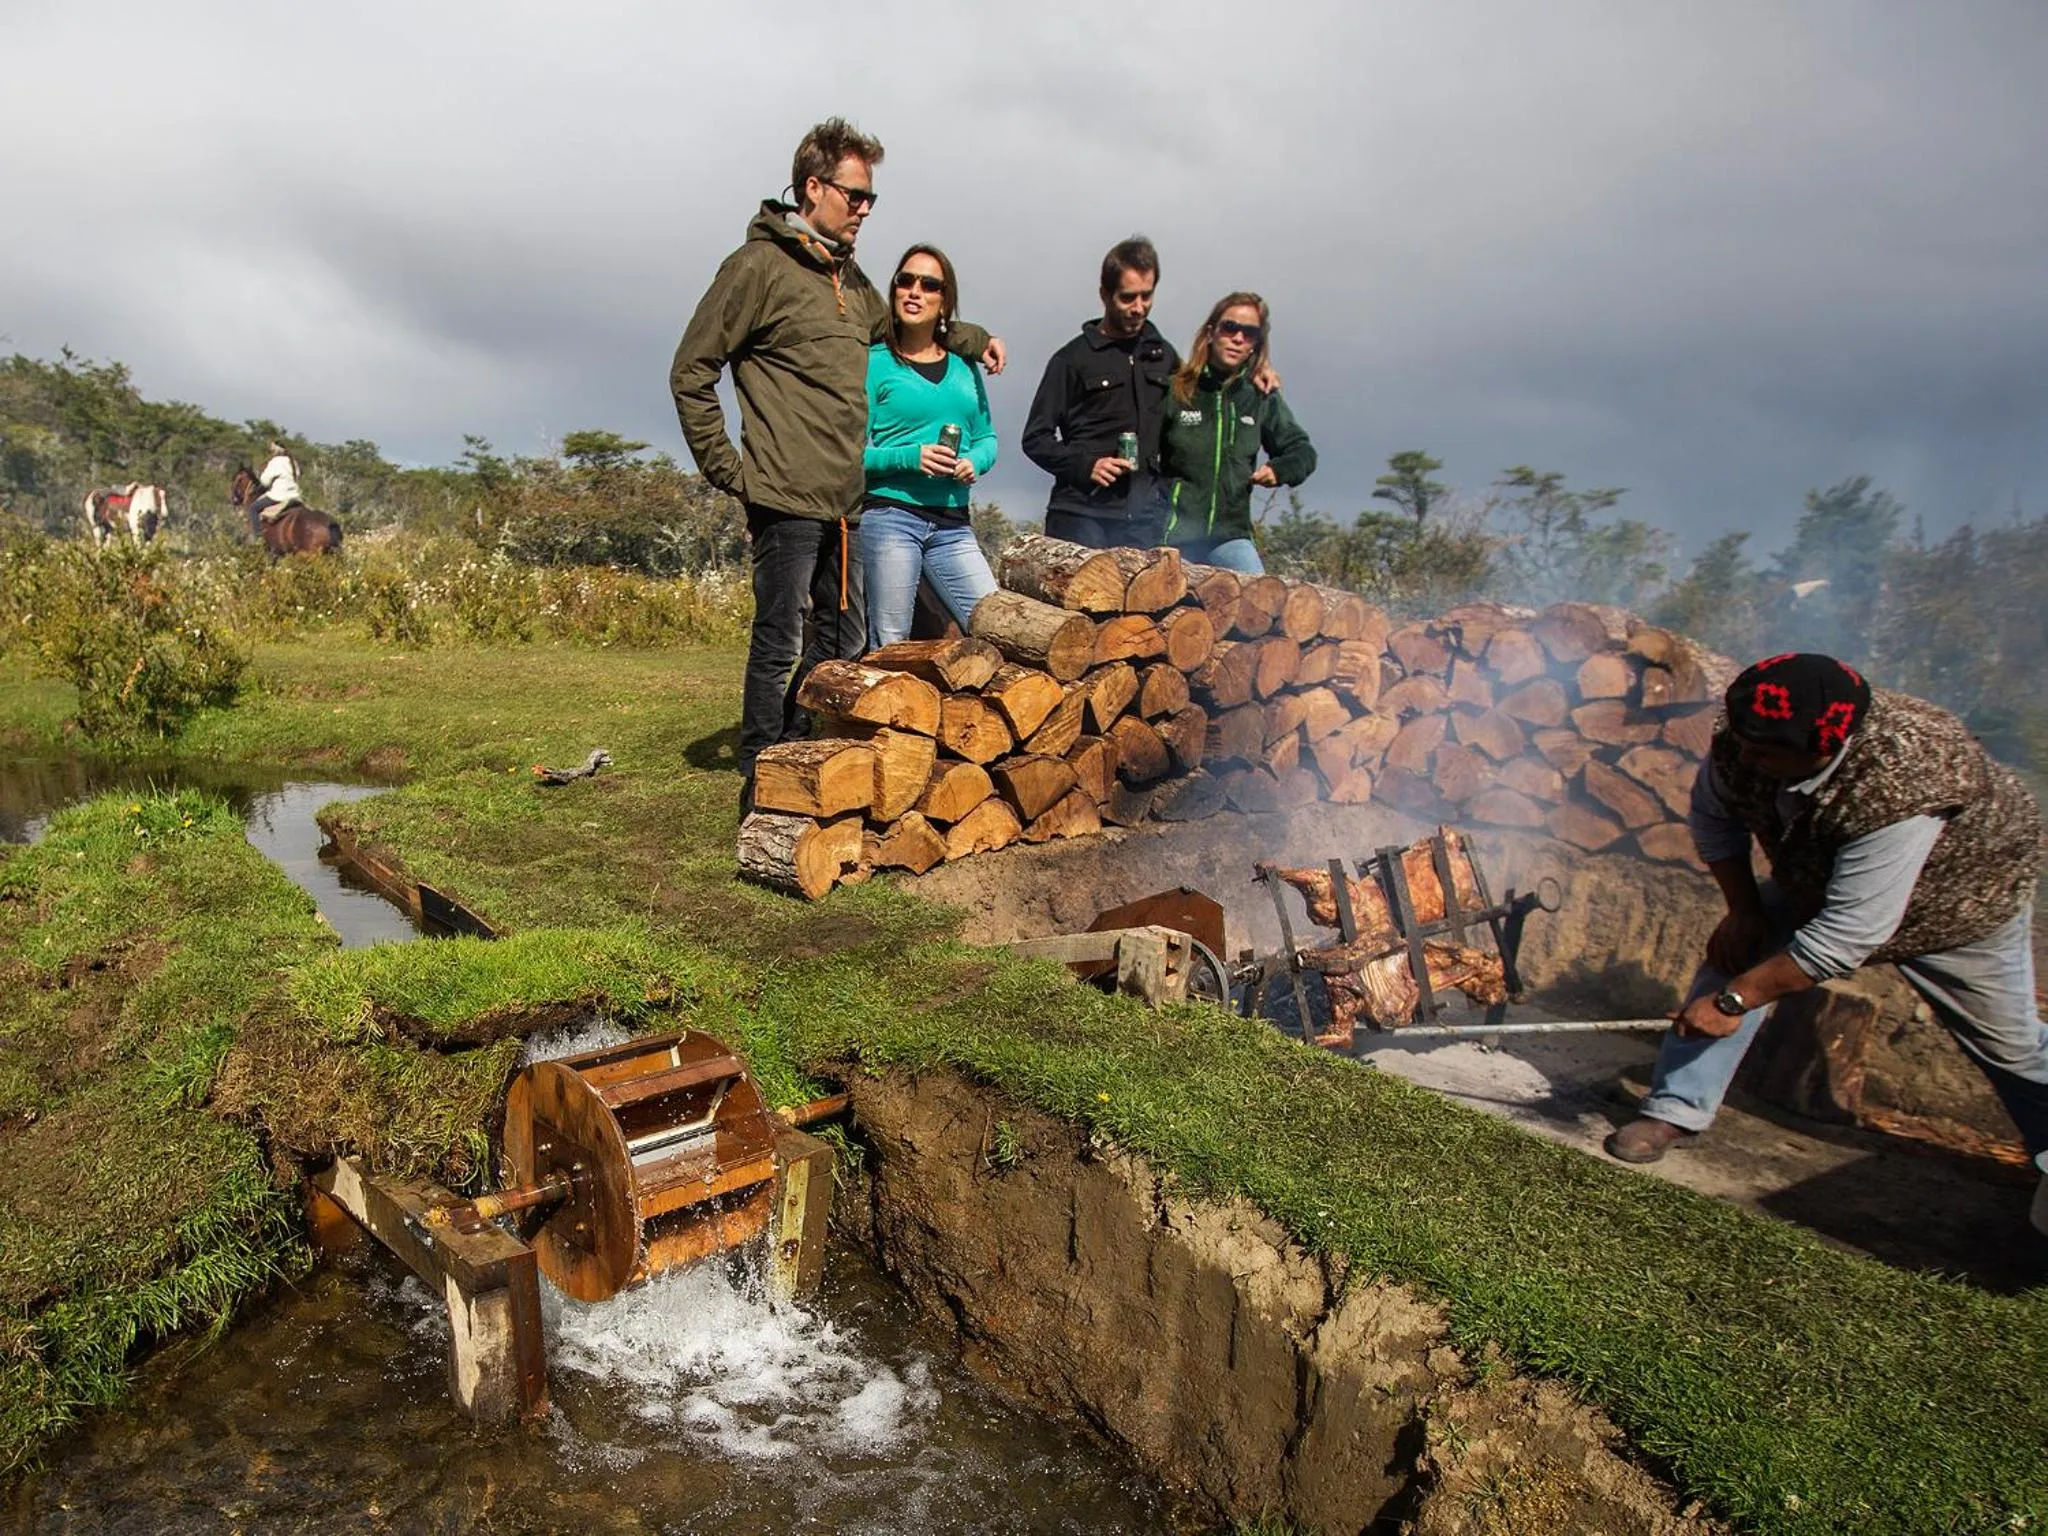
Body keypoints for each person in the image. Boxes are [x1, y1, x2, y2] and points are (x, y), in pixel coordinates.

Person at [1604, 653, 2048, 1229]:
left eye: (1765, 753)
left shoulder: (1903, 778)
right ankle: (1675, 1110)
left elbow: (1846, 936)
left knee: (2011, 1043)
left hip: (1961, 899)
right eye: (1743, 743)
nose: (1746, 759)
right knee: (1736, 955)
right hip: (1821, 873)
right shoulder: (1748, 735)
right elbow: (1715, 820)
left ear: (1826, 747)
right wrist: (1743, 911)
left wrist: (1732, 1003)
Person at [669, 117, 1006, 807]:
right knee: (778, 638)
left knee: (842, 639)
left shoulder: (849, 279)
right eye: (855, 195)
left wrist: (973, 338)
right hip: (783, 494)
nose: (865, 209)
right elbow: (691, 370)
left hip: (849, 501)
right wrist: (730, 471)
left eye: (870, 197)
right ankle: (761, 771)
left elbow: (904, 328)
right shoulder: (756, 267)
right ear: (812, 188)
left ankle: (802, 747)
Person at [859, 244, 999, 647]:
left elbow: (987, 438)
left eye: (929, 285)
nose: (914, 291)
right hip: (891, 515)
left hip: (954, 522)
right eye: (905, 281)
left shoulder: (965, 366)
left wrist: (974, 462)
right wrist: (911, 457)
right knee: (891, 643)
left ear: (944, 302)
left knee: (997, 626)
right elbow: (850, 454)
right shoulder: (874, 362)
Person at [1021, 236, 1178, 549]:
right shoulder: (1072, 359)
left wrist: (1256, 369)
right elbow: (1035, 438)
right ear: (1105, 294)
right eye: (1127, 298)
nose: (1138, 308)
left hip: (1145, 522)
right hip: (1080, 516)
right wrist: (1086, 466)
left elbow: (1202, 402)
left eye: (1146, 296)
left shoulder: (1165, 357)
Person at [1156, 292, 1316, 574]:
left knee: (1261, 599)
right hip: (1173, 536)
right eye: (1230, 328)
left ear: (1256, 344)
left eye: (1249, 333)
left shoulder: (1259, 396)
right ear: (1211, 332)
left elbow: (1302, 451)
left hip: (1230, 538)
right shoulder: (1176, 390)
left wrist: (1279, 470)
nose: (1238, 338)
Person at [251, 441, 303, 524]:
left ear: (275, 451)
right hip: (294, 495)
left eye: (272, 450)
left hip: (279, 496)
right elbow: (298, 476)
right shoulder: (293, 462)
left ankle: (258, 532)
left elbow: (265, 482)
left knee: (253, 508)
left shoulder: (275, 461)